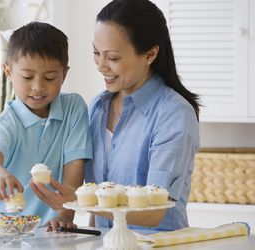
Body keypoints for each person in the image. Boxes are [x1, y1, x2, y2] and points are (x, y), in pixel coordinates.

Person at [31, 0, 200, 232]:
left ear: (150, 54)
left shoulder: (174, 114)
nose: (101, 65)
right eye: (96, 53)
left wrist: (77, 201)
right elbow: (97, 195)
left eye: (113, 58)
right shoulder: (98, 107)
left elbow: (155, 212)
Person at [0, 21, 93, 227]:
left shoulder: (73, 108)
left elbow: (74, 165)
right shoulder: (7, 121)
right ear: (9, 73)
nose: (37, 87)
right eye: (27, 77)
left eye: (49, 77)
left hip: (44, 228)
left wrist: (64, 216)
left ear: (64, 75)